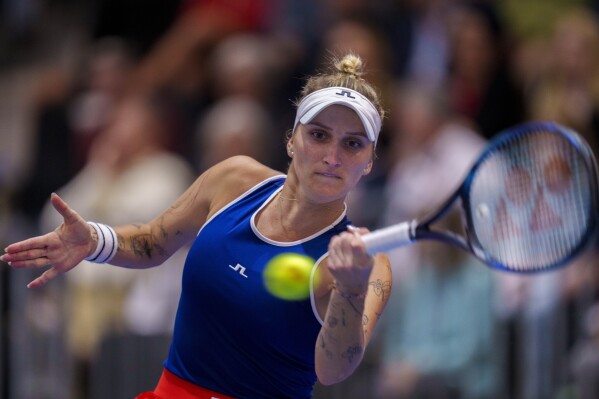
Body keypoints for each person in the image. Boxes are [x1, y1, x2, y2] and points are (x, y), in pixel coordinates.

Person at [1, 53, 392, 399]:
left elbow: (334, 369)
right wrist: (95, 240)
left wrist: (352, 290)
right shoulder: (233, 179)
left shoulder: (370, 264)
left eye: (353, 144)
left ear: (370, 162)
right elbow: (154, 241)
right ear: (292, 140)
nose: (332, 156)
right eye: (319, 135)